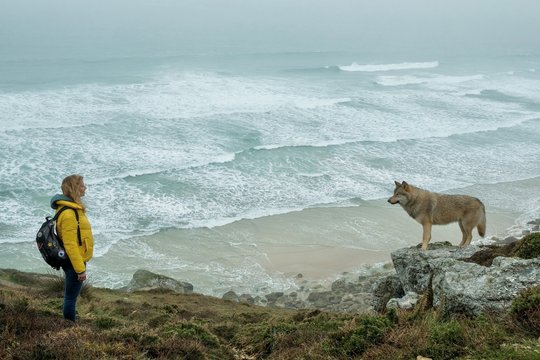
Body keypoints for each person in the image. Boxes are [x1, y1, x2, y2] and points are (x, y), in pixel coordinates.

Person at [50, 174, 94, 322]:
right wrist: (80, 269)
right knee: (70, 298)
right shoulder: (69, 213)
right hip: (74, 262)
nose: (85, 188)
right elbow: (70, 244)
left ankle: (70, 322)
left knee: (71, 296)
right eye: (82, 185)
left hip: (74, 260)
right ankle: (70, 328)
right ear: (74, 188)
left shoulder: (70, 208)